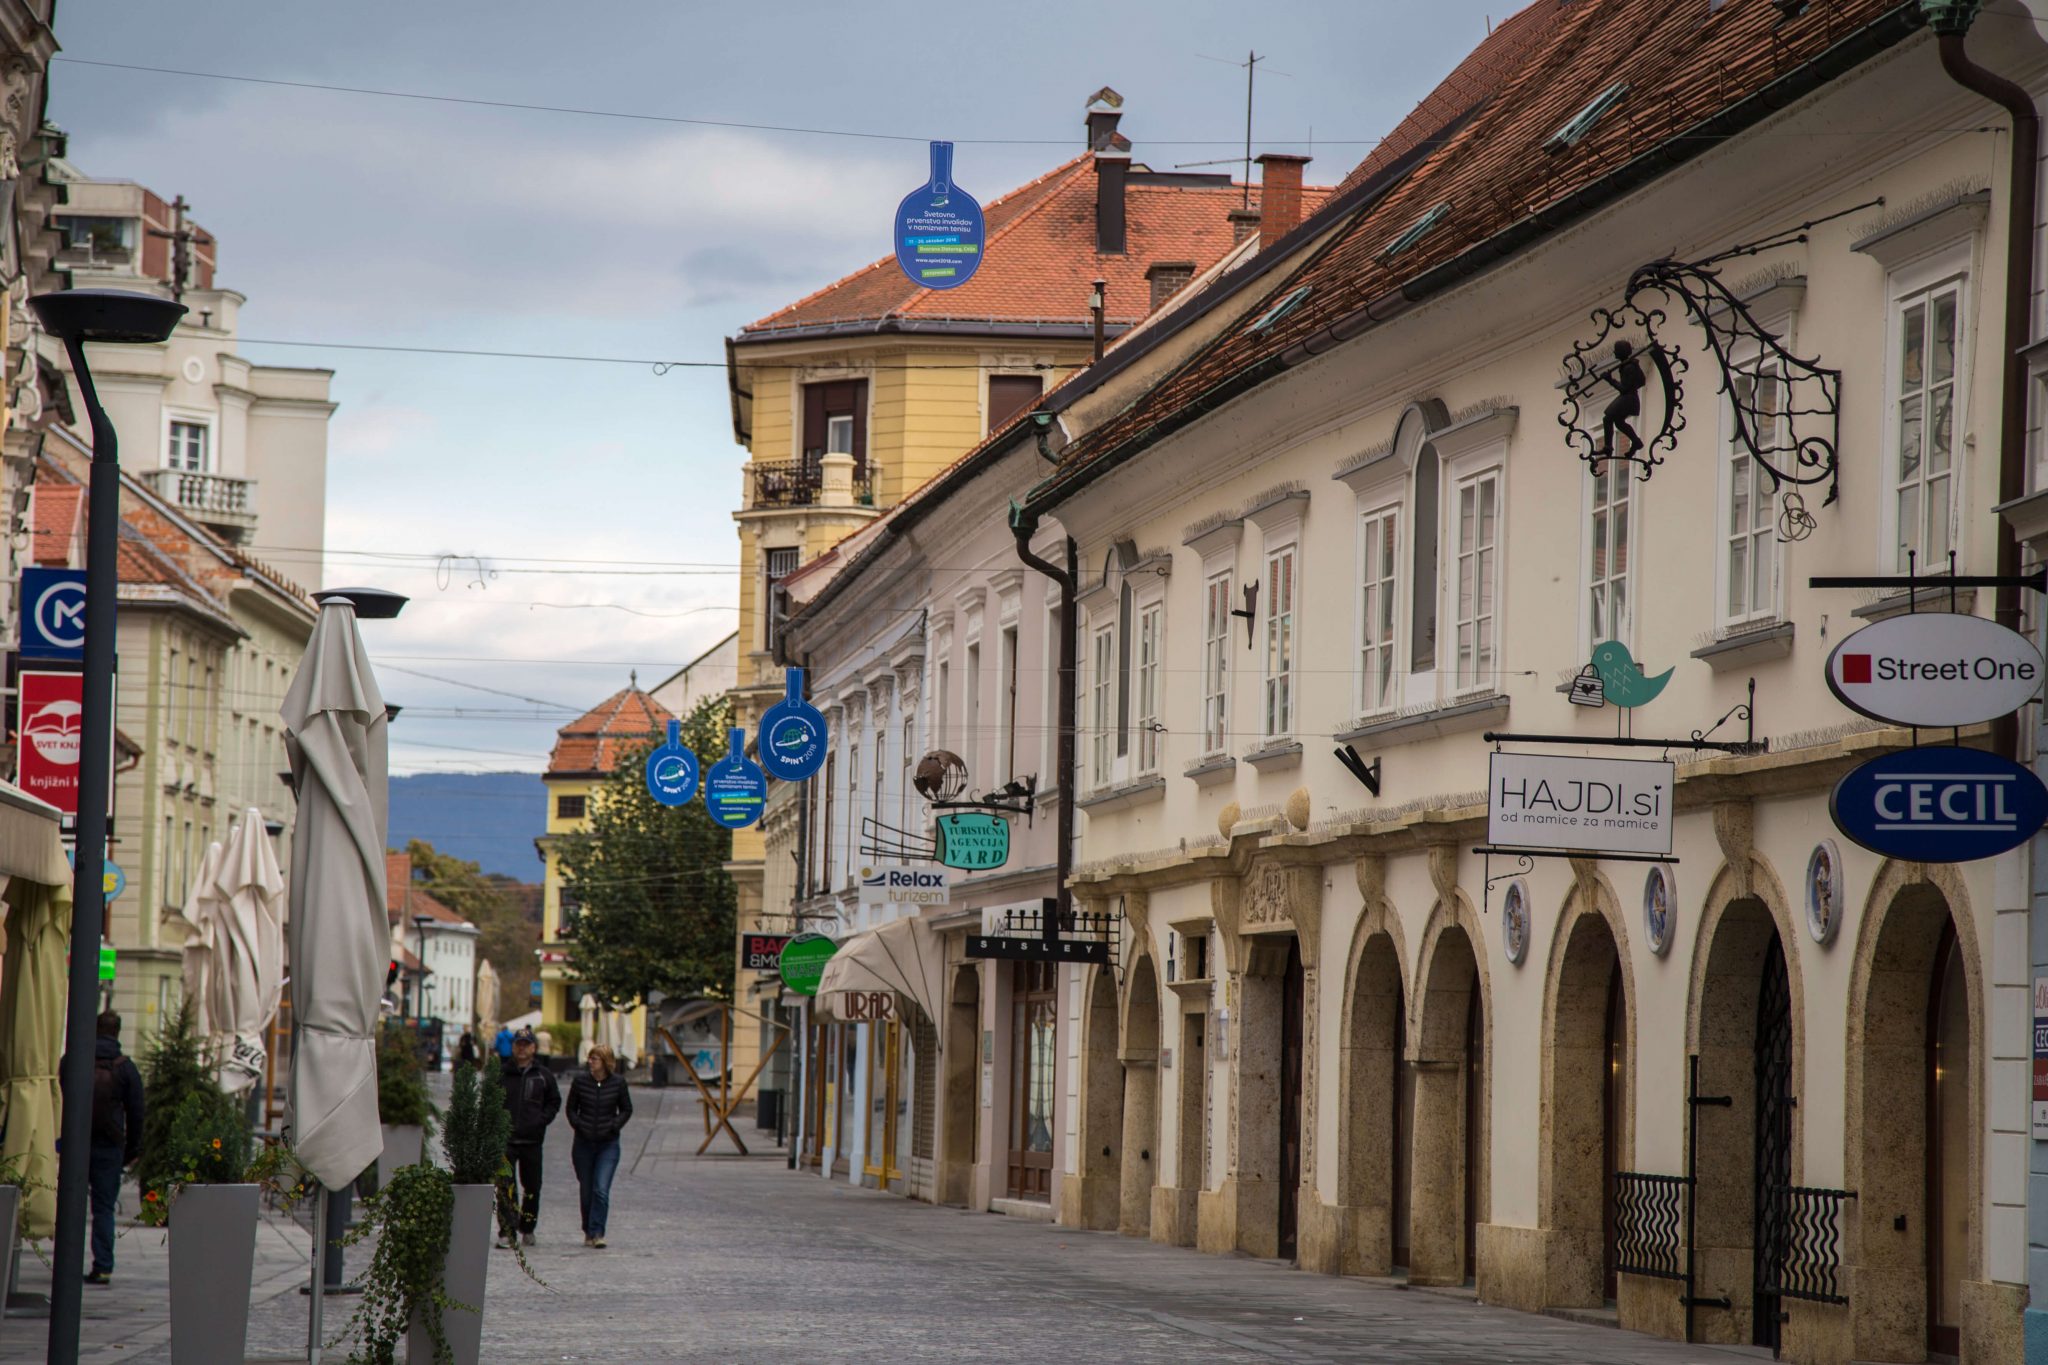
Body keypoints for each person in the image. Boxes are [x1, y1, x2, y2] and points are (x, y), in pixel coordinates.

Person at [85, 1010, 143, 1286]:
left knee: (69, 1206)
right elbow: (137, 1113)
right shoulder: (125, 1067)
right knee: (104, 1208)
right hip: (110, 1147)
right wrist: (131, 1150)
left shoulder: (75, 1060)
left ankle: (65, 1261)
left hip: (77, 1144)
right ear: (118, 1032)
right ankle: (103, 1266)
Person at [497, 1027, 560, 1248]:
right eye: (518, 1044)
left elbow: (554, 1102)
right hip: (506, 1140)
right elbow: (490, 1101)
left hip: (532, 1140)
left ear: (533, 1048)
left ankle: (528, 1227)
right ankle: (507, 1229)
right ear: (513, 1047)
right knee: (505, 1186)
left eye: (526, 1045)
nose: (521, 1048)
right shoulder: (502, 1073)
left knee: (532, 1187)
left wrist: (541, 1120)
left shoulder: (543, 1075)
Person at [566, 1043, 633, 1248]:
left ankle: (598, 1232)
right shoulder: (580, 1082)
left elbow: (626, 1109)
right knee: (587, 1190)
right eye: (590, 1058)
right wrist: (579, 1124)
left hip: (608, 1144)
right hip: (583, 1143)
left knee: (601, 1189)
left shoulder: (618, 1083)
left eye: (595, 1059)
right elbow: (570, 1109)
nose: (591, 1062)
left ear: (605, 1062)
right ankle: (588, 1228)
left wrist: (614, 1126)